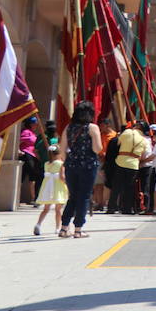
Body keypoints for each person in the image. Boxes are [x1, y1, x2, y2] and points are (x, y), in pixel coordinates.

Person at [57, 101, 103, 238]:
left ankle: (64, 228)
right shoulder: (92, 128)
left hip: (71, 166)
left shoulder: (68, 128)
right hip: (88, 166)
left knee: (73, 197)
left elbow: (62, 149)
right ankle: (78, 229)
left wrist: (66, 165)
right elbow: (97, 148)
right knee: (84, 197)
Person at [32, 143, 67, 235]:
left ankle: (38, 224)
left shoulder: (46, 164)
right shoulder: (61, 164)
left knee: (46, 209)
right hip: (58, 187)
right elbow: (62, 177)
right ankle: (58, 227)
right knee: (58, 209)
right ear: (59, 153)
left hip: (47, 187)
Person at [19, 116, 43, 206]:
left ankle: (34, 198)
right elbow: (19, 140)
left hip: (33, 156)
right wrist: (18, 150)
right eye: (34, 124)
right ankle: (21, 197)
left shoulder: (32, 133)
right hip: (26, 155)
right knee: (25, 176)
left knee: (33, 177)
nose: (36, 126)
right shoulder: (25, 132)